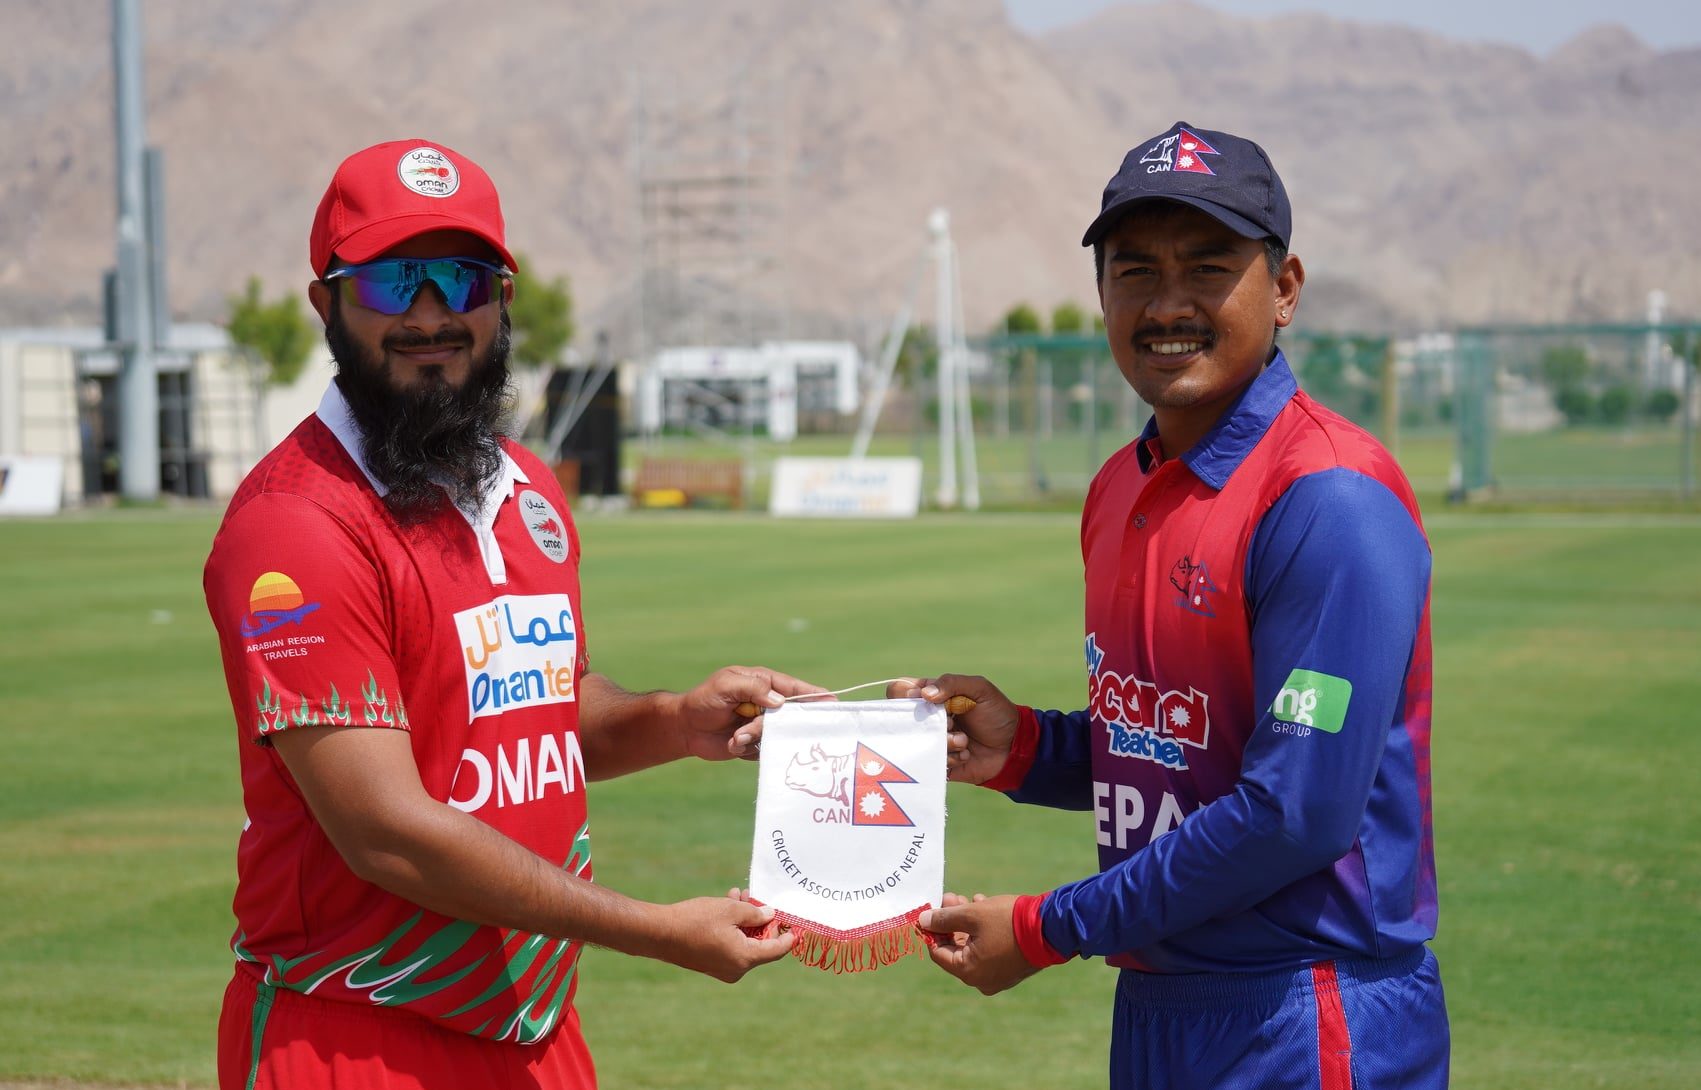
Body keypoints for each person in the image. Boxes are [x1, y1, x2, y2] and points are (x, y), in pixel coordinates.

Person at [203, 138, 809, 1090]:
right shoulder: (295, 525)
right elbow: (384, 830)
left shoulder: (526, 487)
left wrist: (674, 720)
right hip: (356, 1035)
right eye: (392, 283)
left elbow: (536, 710)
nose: (430, 315)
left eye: (460, 278)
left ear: (502, 298)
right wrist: (656, 930)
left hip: (535, 1033)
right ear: (326, 304)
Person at [900, 122, 1448, 1088]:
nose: (1166, 305)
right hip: (1160, 1004)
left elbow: (1293, 814)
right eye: (1134, 272)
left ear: (1284, 289)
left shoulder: (1329, 497)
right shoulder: (1122, 484)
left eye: (1207, 268)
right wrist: (1021, 748)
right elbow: (1179, 749)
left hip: (1305, 1011)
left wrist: (1044, 927)